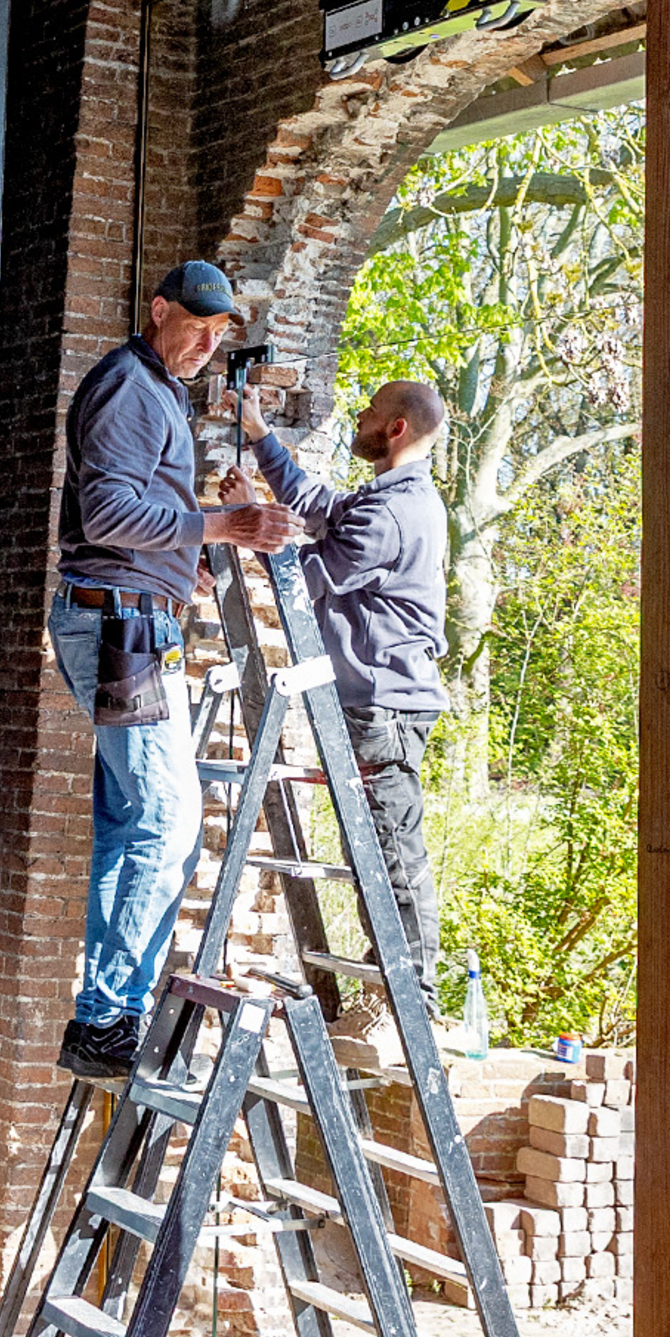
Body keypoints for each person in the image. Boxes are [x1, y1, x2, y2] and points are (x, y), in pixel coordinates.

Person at [51, 260, 295, 1081]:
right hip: (119, 626)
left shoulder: (159, 389)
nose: (206, 342)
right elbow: (107, 512)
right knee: (167, 822)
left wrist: (177, 558)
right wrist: (221, 523)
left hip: (131, 612)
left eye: (219, 331)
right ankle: (109, 1015)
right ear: (158, 311)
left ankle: (105, 1016)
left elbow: (129, 523)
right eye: (195, 324)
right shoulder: (129, 384)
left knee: (135, 823)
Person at [236, 373, 451, 1000]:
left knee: (389, 844)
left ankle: (413, 992)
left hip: (385, 705)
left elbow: (305, 579)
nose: (361, 415)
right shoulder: (389, 499)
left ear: (396, 428)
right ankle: (396, 977)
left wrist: (247, 521)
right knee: (380, 842)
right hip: (378, 699)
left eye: (371, 410)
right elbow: (316, 506)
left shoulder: (392, 514)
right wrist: (258, 435)